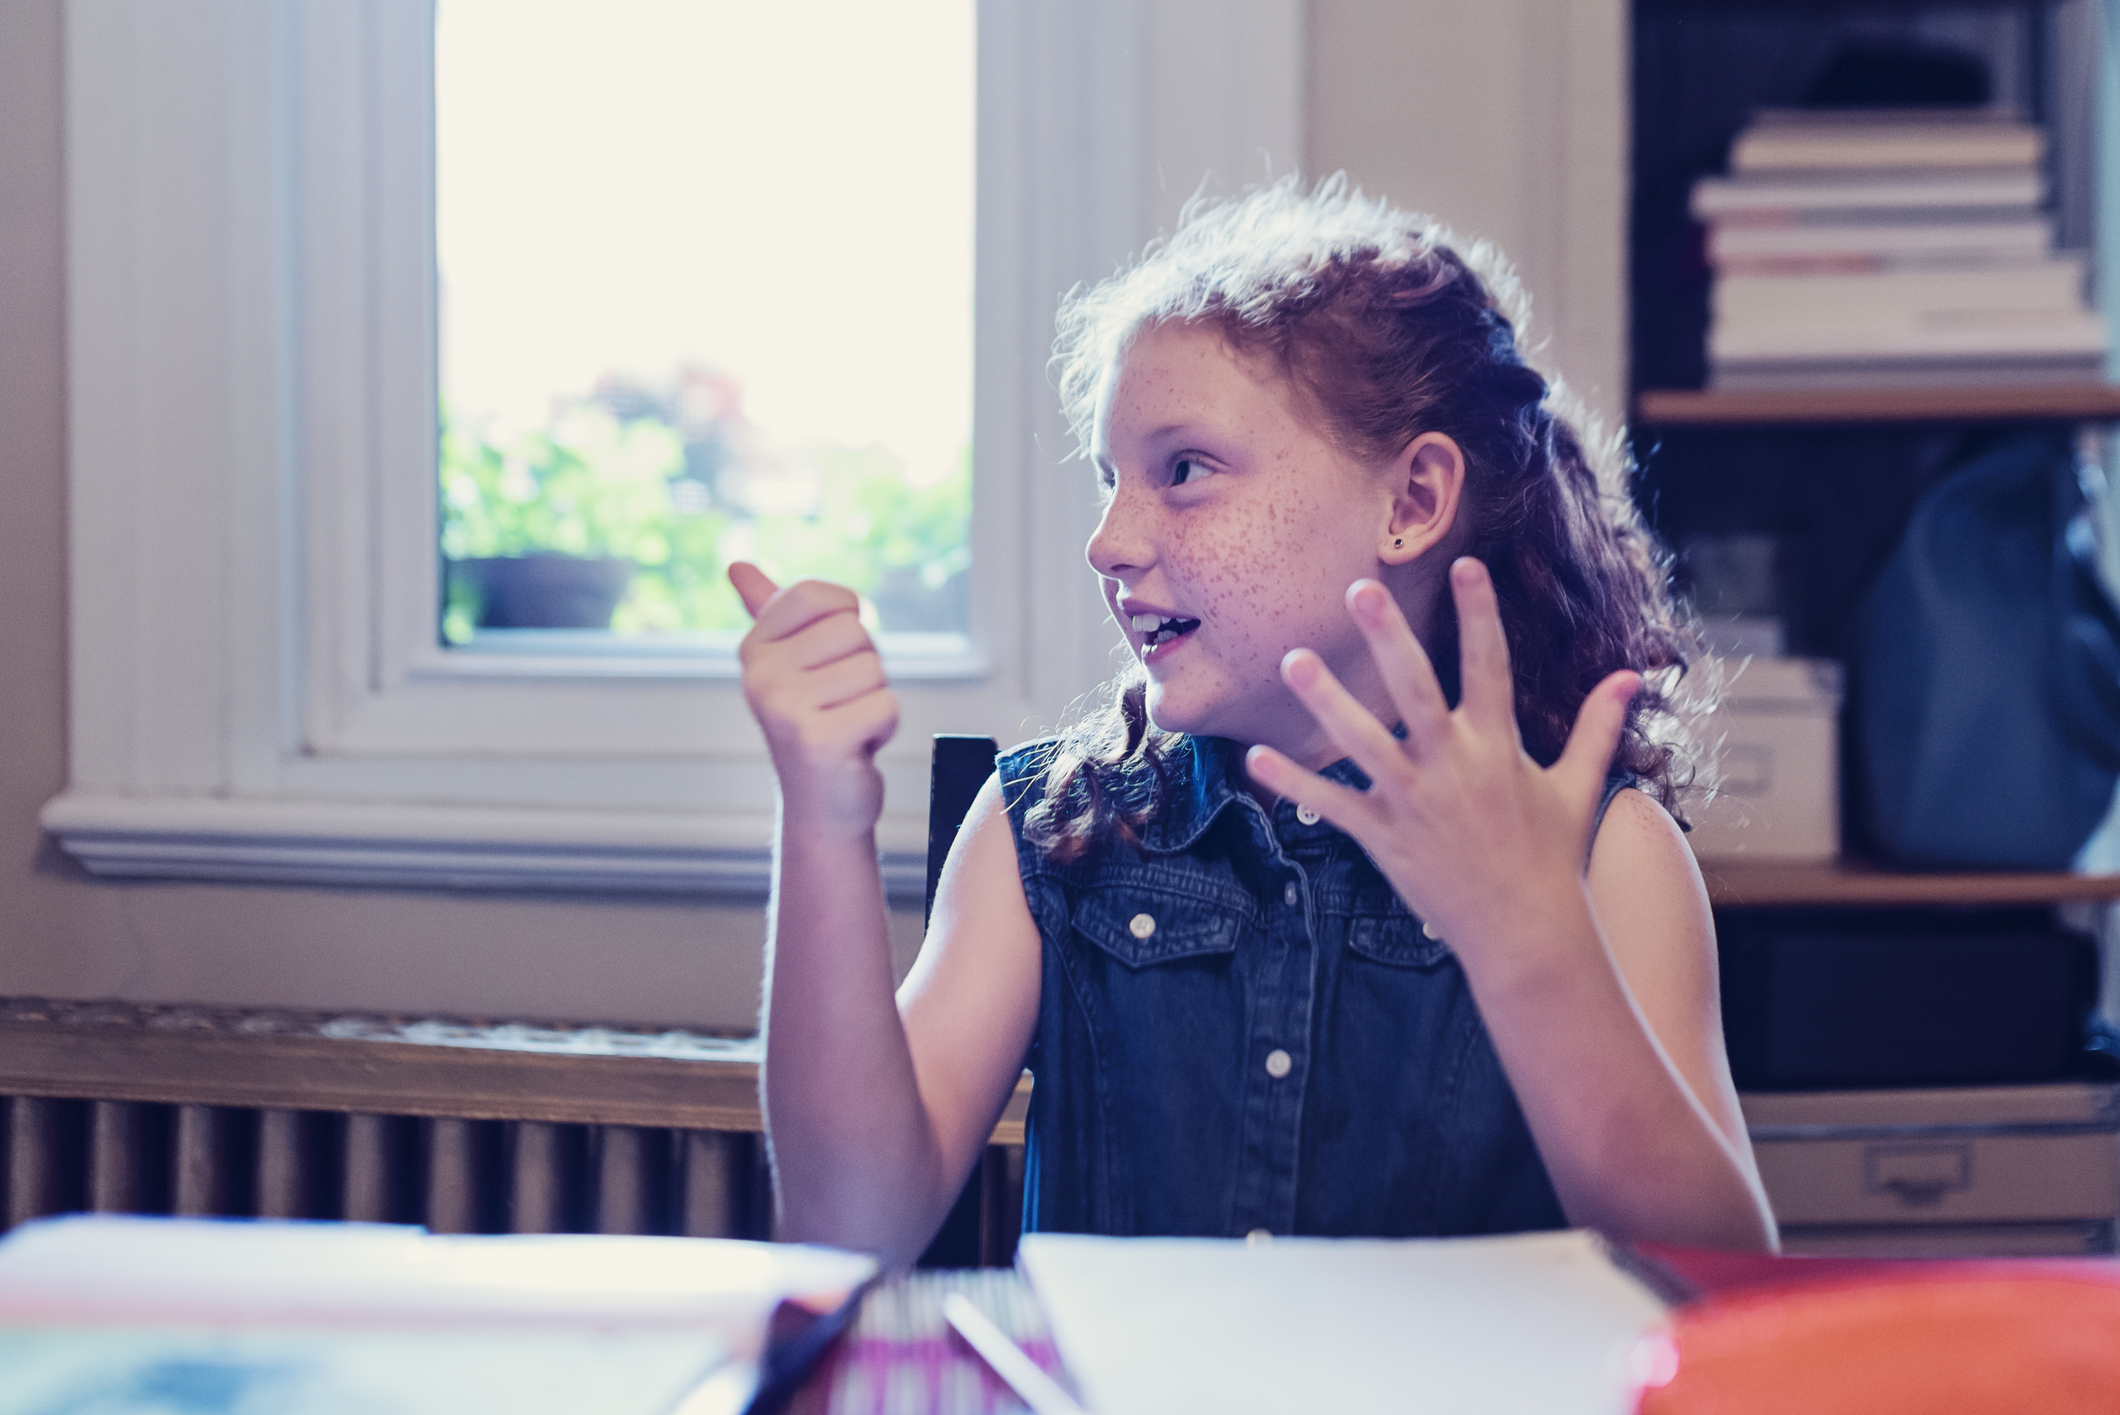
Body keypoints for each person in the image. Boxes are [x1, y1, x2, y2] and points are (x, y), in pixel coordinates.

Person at [730, 177, 1778, 1265]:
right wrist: (822, 815)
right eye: (1109, 480)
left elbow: (1715, 1276)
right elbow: (847, 1226)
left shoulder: (1603, 851)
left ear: (1411, 502)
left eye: (1183, 471)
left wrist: (1530, 940)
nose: (1107, 541)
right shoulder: (1044, 831)